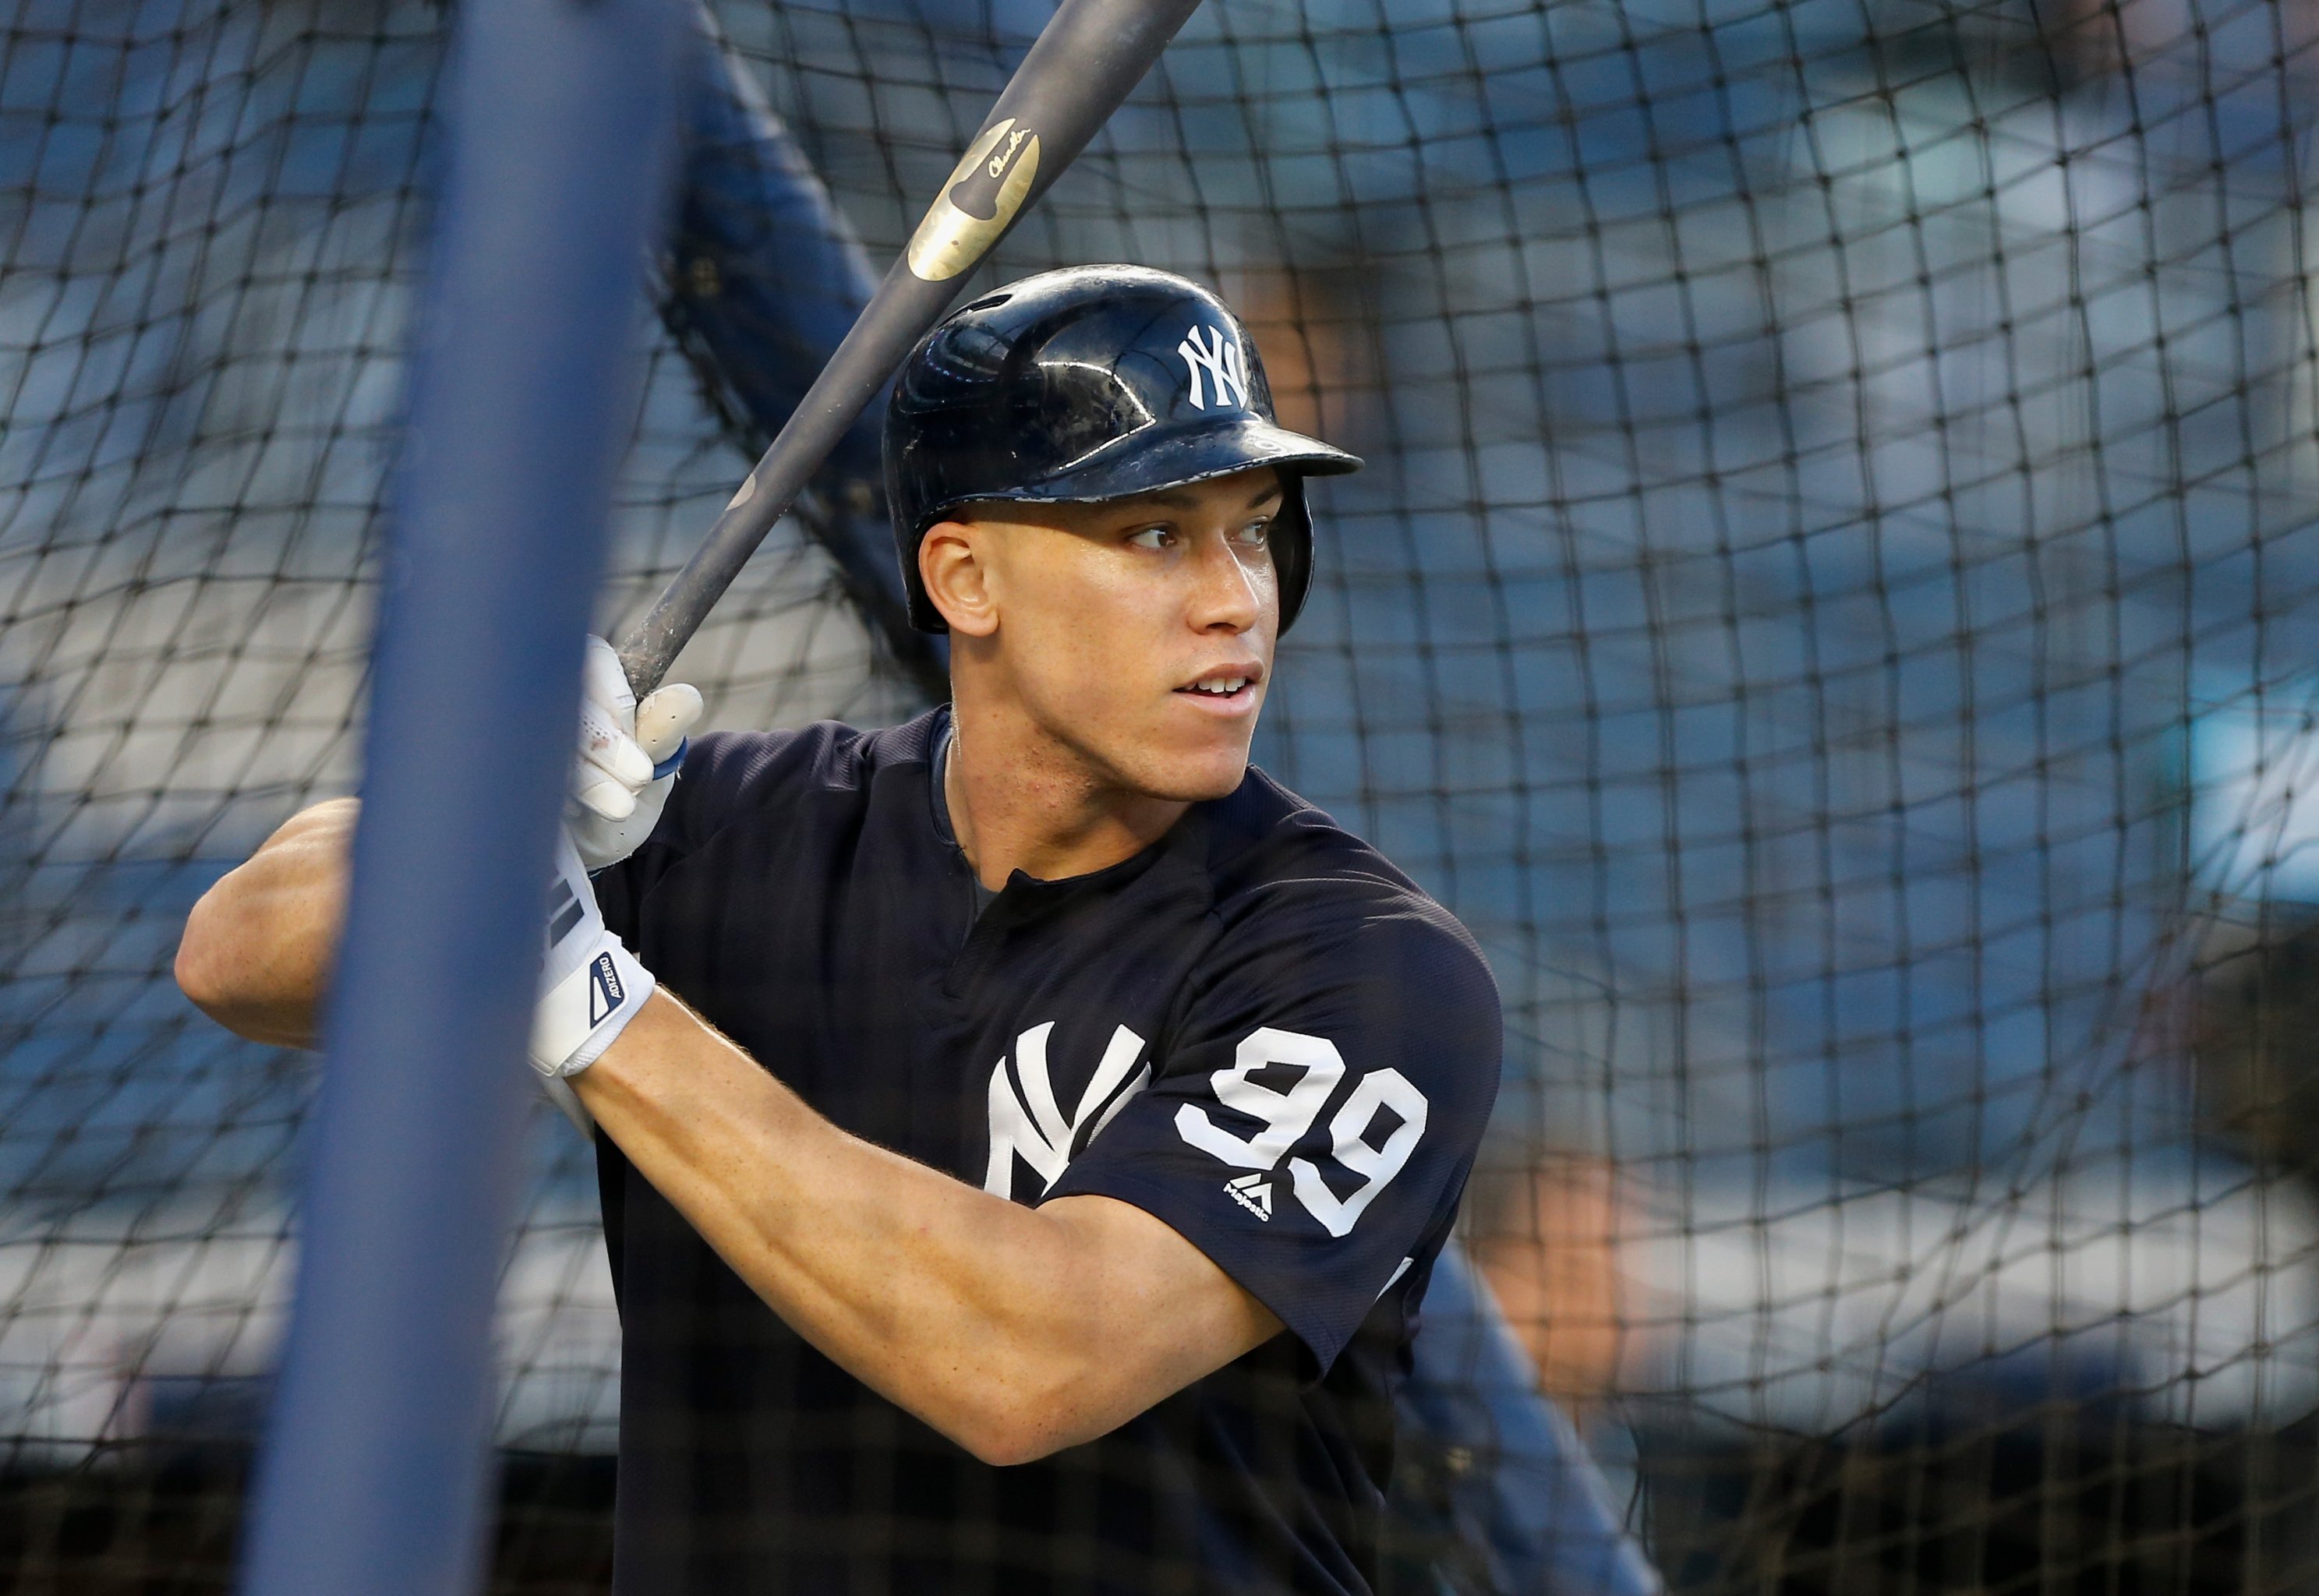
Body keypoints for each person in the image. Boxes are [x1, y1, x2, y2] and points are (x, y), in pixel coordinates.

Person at [176, 264, 1502, 1595]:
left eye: (1254, 528)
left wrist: (588, 997)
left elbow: (1032, 1365)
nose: (1237, 599)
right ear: (965, 578)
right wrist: (484, 808)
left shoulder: (1365, 970)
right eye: (1157, 534)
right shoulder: (741, 831)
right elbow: (237, 957)